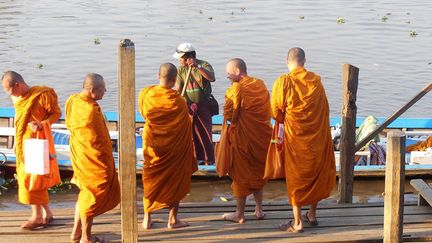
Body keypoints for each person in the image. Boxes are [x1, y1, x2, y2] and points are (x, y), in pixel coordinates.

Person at [271, 48, 336, 233]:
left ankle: (297, 222)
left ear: (287, 61)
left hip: (296, 137)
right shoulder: (316, 81)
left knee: (296, 176)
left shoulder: (284, 81)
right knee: (315, 173)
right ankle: (312, 214)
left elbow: (275, 112)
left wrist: (285, 121)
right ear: (304, 61)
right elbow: (325, 110)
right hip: (316, 137)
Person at [138, 63, 197, 229]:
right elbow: (184, 124)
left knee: (151, 179)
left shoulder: (146, 93)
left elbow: (144, 114)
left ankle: (147, 218)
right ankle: (172, 219)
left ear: (158, 76)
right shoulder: (178, 101)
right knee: (176, 178)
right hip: (174, 148)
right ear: (174, 80)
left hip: (153, 146)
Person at [1, 71, 61, 230]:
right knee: (34, 178)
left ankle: (37, 217)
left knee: (31, 179)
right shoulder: (17, 97)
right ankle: (47, 213)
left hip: (37, 143)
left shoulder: (43, 95)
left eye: (10, 90)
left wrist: (43, 123)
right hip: (22, 143)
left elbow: (57, 113)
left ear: (18, 85)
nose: (10, 95)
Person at [65, 73, 120, 243]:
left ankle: (76, 232)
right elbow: (98, 140)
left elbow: (71, 126)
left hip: (80, 155)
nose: (105, 91)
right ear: (92, 90)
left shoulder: (73, 100)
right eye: (102, 89)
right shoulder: (90, 111)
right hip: (93, 160)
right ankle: (86, 237)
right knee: (93, 195)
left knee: (85, 193)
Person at [221, 58, 272, 223]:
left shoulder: (237, 89)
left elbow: (229, 115)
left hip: (243, 138)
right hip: (261, 137)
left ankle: (239, 214)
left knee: (241, 175)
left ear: (237, 71)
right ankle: (259, 209)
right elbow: (267, 110)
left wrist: (232, 93)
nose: (228, 76)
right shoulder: (260, 85)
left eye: (229, 73)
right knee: (258, 171)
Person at [173, 42, 215, 165]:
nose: (180, 60)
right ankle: (194, 158)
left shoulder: (204, 64)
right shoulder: (181, 70)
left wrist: (197, 67)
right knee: (189, 133)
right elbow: (179, 88)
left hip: (203, 105)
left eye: (181, 58)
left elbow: (211, 78)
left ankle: (208, 159)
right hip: (188, 105)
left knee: (205, 133)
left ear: (189, 57)